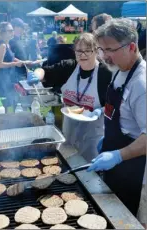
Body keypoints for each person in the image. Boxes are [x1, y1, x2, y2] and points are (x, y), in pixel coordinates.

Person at [87, 18, 146, 222]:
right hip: (116, 161)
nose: (104, 57)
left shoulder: (141, 84)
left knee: (126, 219)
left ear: (131, 46)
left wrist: (117, 156)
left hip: (134, 169)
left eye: (109, 50)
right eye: (101, 50)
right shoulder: (119, 69)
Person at [34, 33, 112, 162]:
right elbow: (44, 71)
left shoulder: (105, 73)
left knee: (88, 168)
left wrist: (101, 111)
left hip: (93, 133)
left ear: (96, 51)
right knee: (68, 163)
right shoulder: (69, 66)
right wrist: (36, 76)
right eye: (79, 51)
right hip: (69, 129)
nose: (82, 55)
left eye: (87, 51)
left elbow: (115, 103)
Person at [0, 22, 24, 111]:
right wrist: (16, 64)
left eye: (13, 30)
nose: (13, 32)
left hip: (6, 80)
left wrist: (22, 61)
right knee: (2, 109)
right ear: (3, 32)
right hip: (0, 82)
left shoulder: (7, 44)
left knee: (6, 107)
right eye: (10, 31)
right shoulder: (2, 45)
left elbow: (10, 57)